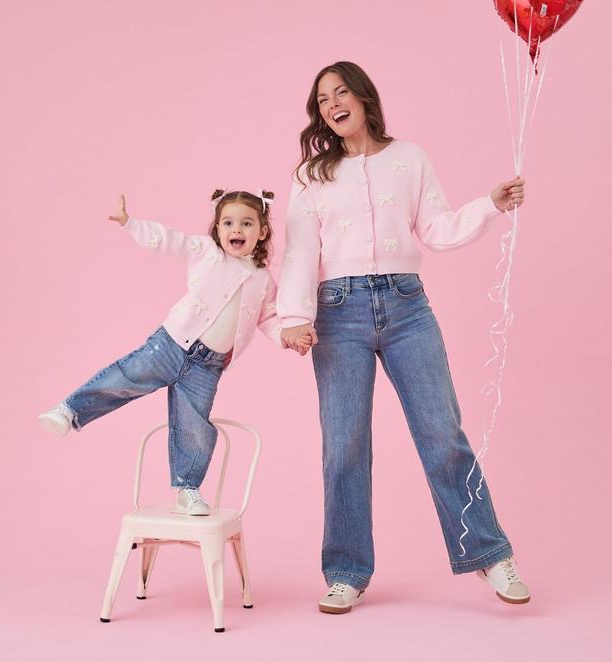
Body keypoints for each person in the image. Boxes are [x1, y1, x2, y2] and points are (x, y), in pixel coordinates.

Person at [278, 61, 529, 613]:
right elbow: (299, 251)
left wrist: (490, 204)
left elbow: (436, 229)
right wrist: (292, 316)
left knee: (442, 433)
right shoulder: (311, 175)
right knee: (343, 444)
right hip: (337, 311)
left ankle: (488, 552)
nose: (333, 105)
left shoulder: (408, 158)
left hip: (406, 304)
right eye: (322, 101)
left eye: (341, 92)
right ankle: (346, 570)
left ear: (364, 96)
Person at [39, 189, 312, 514]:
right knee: (126, 376)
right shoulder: (207, 251)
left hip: (208, 367)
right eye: (228, 223)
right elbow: (169, 240)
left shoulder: (263, 280)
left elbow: (267, 317)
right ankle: (69, 410)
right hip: (172, 343)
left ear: (262, 231)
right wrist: (131, 224)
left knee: (194, 424)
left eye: (246, 223)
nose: (236, 230)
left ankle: (188, 488)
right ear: (218, 228)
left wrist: (287, 336)